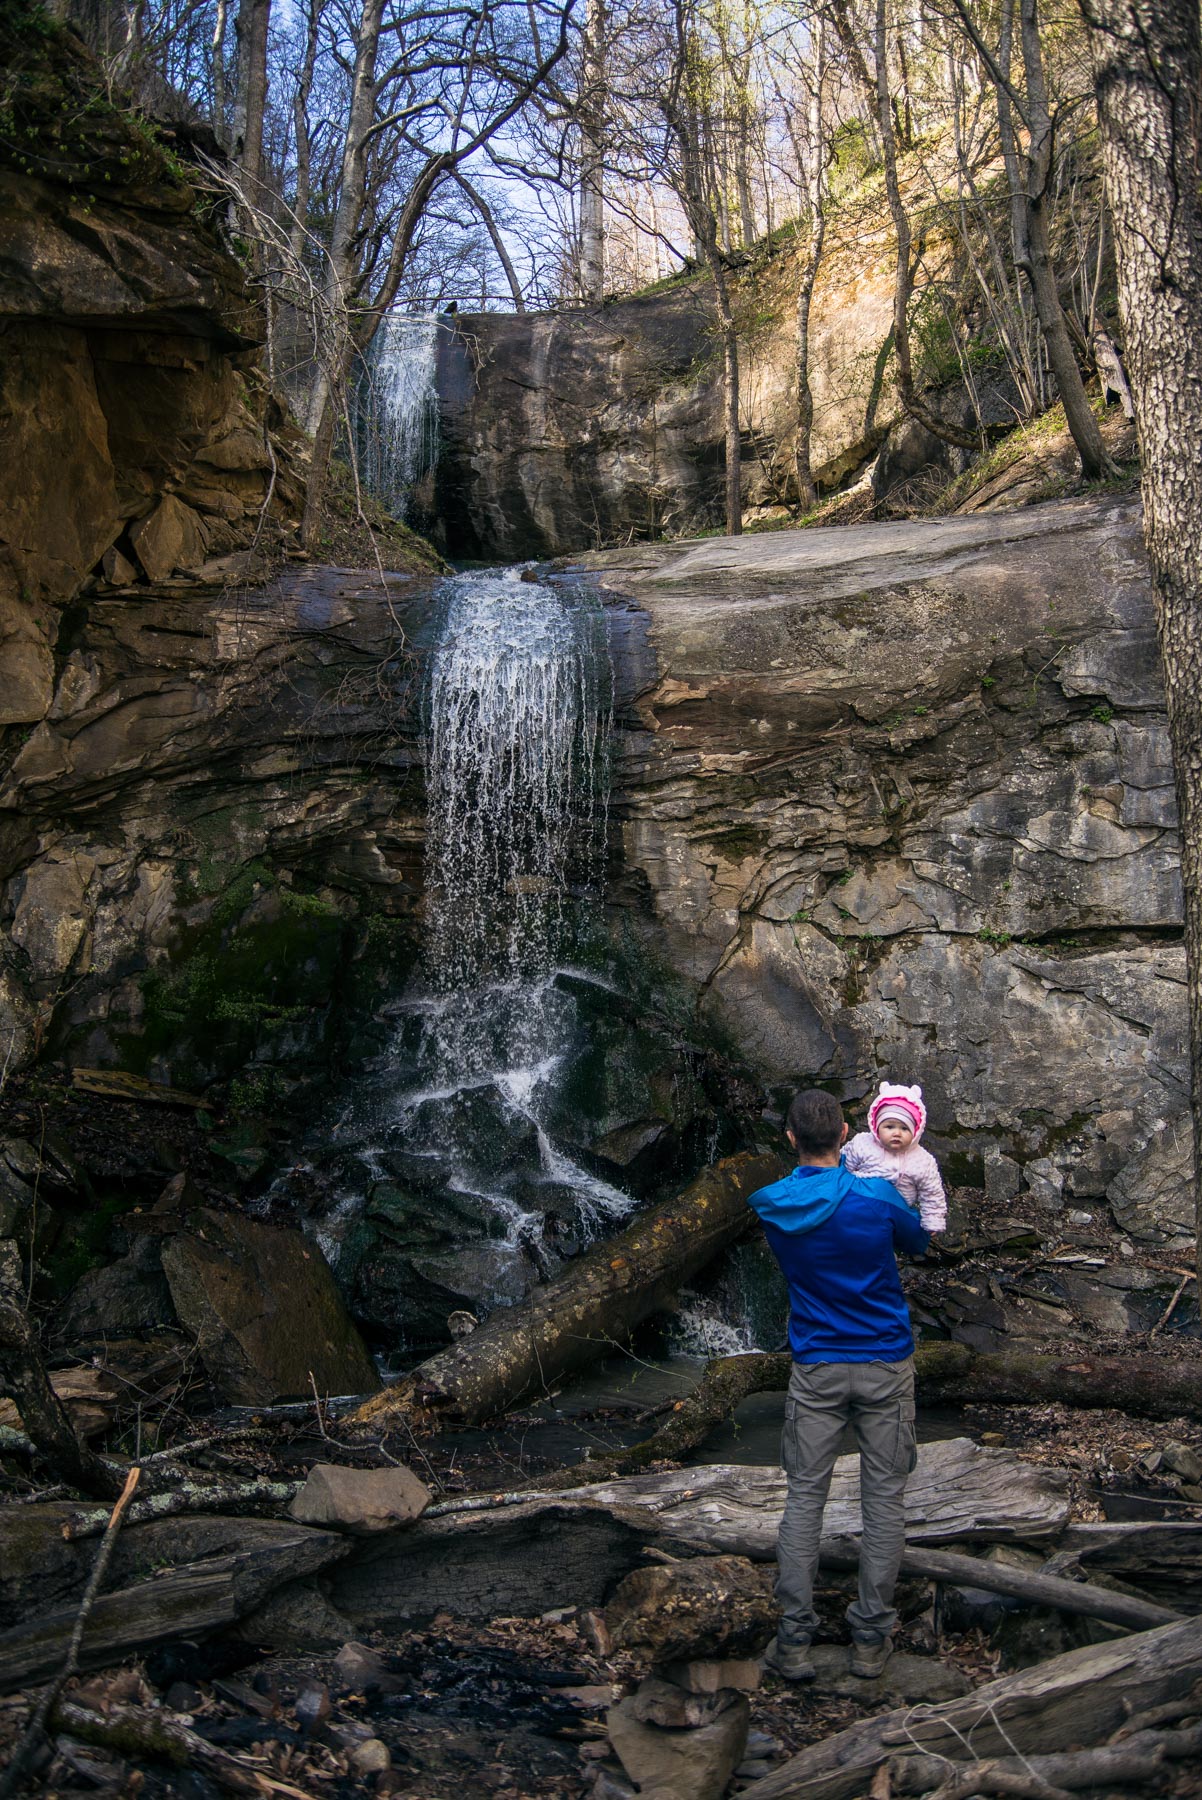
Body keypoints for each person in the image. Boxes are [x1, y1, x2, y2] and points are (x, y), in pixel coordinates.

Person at [748, 1087, 929, 1682]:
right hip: (884, 1361)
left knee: (804, 1498)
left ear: (791, 1138)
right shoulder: (876, 1196)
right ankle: (870, 1643)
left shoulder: (772, 1204)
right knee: (884, 1499)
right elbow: (920, 1241)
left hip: (817, 1365)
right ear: (849, 1131)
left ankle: (794, 1641)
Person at [842, 1082, 947, 1233]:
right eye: (889, 1127)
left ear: (916, 1131)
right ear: (876, 1126)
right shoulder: (862, 1144)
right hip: (859, 1204)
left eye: (905, 1128)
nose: (897, 1133)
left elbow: (931, 1191)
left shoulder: (922, 1160)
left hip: (896, 1214)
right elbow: (842, 1167)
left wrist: (933, 1221)